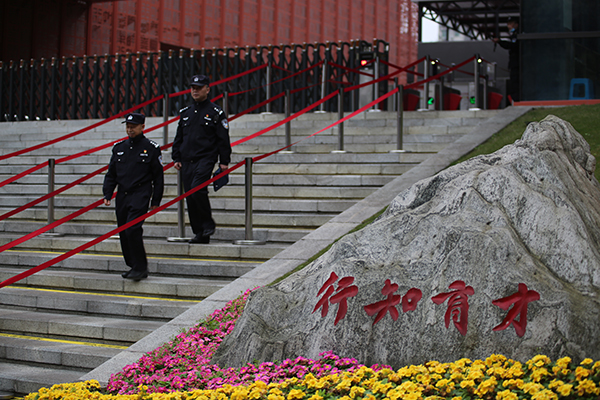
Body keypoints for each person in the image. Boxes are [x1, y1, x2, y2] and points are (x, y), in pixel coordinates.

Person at [103, 112, 164, 281]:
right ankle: (132, 264)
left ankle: (140, 266)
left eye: (133, 127)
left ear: (142, 127)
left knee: (132, 229)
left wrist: (156, 200)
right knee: (123, 230)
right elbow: (111, 174)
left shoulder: (151, 148)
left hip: (141, 193)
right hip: (123, 194)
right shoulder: (119, 148)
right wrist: (107, 192)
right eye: (128, 127)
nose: (130, 130)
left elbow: (158, 176)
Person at [172, 75, 231, 244]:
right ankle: (200, 233)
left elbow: (223, 139)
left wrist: (224, 161)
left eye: (199, 87)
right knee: (190, 196)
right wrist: (176, 156)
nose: (195, 91)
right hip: (186, 160)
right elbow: (179, 137)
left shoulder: (215, 113)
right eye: (193, 88)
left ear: (207, 89)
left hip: (205, 158)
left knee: (197, 189)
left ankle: (208, 224)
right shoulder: (185, 113)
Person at [493, 16, 520, 103]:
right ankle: (515, 99)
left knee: (515, 82)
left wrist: (500, 42)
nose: (509, 26)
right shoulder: (514, 35)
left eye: (511, 24)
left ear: (516, 24)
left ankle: (516, 99)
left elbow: (513, 46)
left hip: (517, 63)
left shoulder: (518, 35)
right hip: (515, 63)